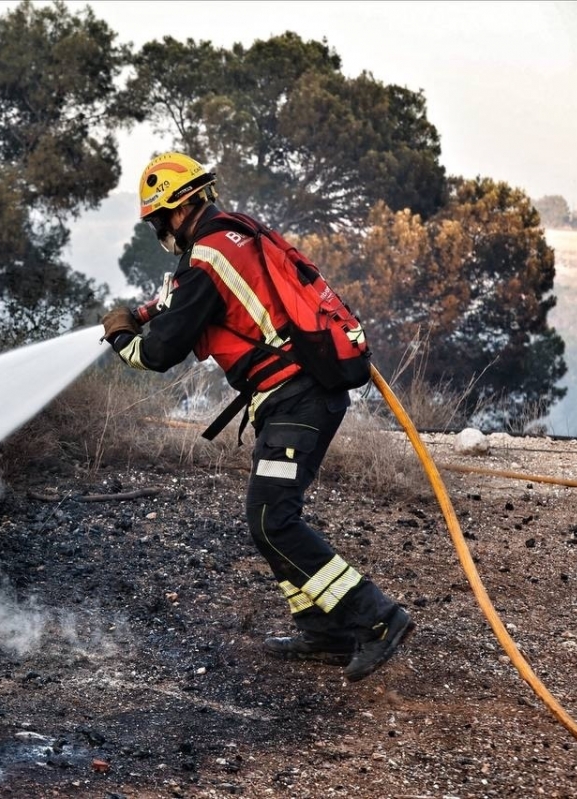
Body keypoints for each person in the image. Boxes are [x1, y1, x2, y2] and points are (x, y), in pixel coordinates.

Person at [101, 152, 413, 682]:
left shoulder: (206, 256)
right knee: (271, 518)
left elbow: (158, 354)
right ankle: (322, 629)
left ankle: (377, 618)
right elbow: (193, 299)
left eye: (158, 219)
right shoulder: (233, 237)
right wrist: (148, 310)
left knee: (272, 520)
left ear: (177, 209)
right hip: (296, 397)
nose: (159, 230)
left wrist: (121, 337)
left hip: (299, 399)